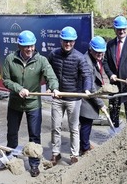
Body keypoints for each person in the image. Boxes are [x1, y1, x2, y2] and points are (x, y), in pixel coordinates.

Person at [0, 30, 59, 177]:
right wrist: (18, 88)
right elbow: (6, 80)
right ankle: (10, 159)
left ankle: (34, 164)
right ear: (19, 46)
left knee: (34, 135)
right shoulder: (10, 59)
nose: (30, 49)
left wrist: (54, 87)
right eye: (26, 46)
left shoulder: (41, 60)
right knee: (12, 133)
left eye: (32, 46)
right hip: (15, 103)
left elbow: (50, 76)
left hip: (33, 104)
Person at [47, 26, 92, 165]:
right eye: (65, 41)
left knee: (73, 128)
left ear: (74, 41)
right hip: (58, 97)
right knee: (55, 127)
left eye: (70, 41)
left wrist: (87, 89)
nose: (68, 44)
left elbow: (87, 75)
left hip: (73, 98)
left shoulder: (79, 57)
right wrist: (50, 87)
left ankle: (74, 155)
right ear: (61, 40)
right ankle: (56, 153)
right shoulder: (54, 54)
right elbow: (47, 71)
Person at [103, 16, 127, 128]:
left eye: (124, 29)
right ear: (114, 29)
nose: (122, 31)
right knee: (113, 114)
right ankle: (113, 136)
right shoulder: (110, 44)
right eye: (119, 29)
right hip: (115, 86)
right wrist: (110, 74)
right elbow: (105, 62)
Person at [79, 36, 109, 156]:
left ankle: (85, 143)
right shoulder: (87, 62)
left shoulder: (93, 58)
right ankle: (84, 148)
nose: (100, 55)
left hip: (91, 96)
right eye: (98, 52)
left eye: (102, 53)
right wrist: (101, 104)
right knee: (86, 122)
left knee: (88, 122)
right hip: (86, 97)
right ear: (91, 49)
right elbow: (90, 86)